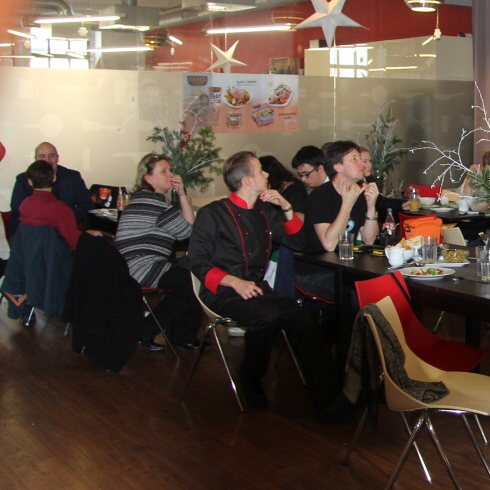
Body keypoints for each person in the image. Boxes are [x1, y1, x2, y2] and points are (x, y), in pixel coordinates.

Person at [188, 151, 344, 417]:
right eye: (261, 170)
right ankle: (250, 375)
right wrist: (235, 282)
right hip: (223, 290)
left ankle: (329, 397)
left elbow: (296, 243)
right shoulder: (212, 214)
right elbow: (197, 261)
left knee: (303, 318)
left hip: (258, 289)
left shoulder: (264, 211)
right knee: (267, 315)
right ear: (248, 180)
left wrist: (286, 208)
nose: (267, 174)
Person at [115, 154, 203, 352]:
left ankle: (180, 334)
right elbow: (189, 232)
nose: (170, 174)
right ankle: (154, 331)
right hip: (142, 267)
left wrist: (181, 194)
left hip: (130, 266)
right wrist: (181, 197)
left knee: (188, 278)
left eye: (170, 170)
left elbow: (187, 229)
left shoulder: (143, 199)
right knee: (193, 281)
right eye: (164, 171)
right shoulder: (156, 203)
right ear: (149, 178)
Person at [306, 141, 384, 253]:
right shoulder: (320, 196)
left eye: (360, 158)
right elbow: (329, 245)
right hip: (318, 261)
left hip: (348, 259)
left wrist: (371, 206)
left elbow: (370, 240)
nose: (362, 163)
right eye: (354, 159)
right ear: (338, 167)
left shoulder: (359, 193)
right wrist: (347, 204)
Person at [10, 142, 94, 236]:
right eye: (42, 156)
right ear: (35, 159)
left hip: (66, 231)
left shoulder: (73, 177)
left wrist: (65, 219)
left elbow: (87, 204)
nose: (47, 160)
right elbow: (17, 211)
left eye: (52, 156)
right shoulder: (23, 179)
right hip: (34, 234)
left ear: (57, 158)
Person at [16, 160, 83, 251]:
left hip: (28, 256)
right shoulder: (61, 209)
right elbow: (73, 242)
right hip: (55, 257)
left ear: (29, 182)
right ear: (54, 178)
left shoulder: (24, 205)